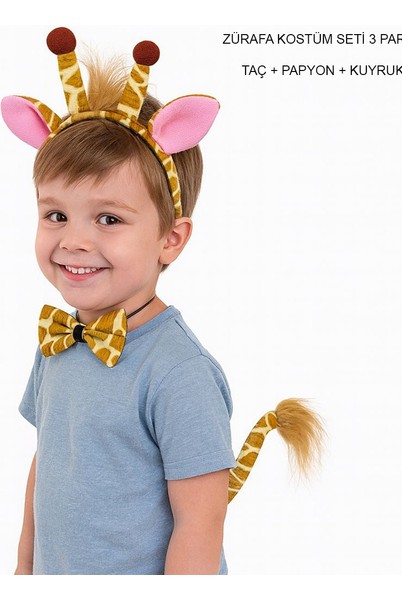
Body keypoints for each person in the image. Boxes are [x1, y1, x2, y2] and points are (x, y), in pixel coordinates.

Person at [2, 27, 325, 576]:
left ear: (170, 239)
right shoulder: (60, 341)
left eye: (108, 219)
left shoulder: (178, 373)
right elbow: (47, 465)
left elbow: (200, 525)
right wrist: (24, 573)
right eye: (56, 214)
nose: (74, 240)